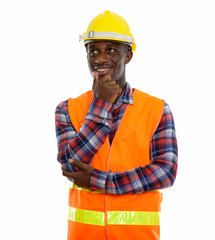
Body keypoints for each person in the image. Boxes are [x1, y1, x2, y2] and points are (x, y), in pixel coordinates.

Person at [55, 10, 178, 240]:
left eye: (110, 50)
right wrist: (100, 105)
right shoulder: (67, 109)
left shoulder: (157, 109)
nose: (101, 58)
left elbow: (165, 172)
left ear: (127, 56)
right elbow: (71, 166)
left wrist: (97, 181)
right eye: (94, 51)